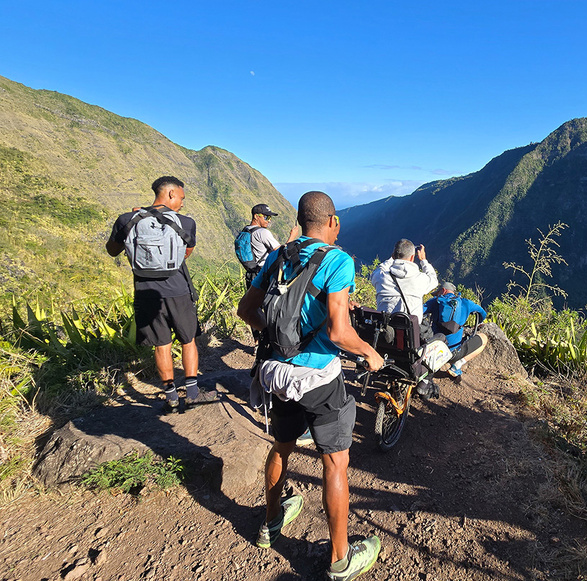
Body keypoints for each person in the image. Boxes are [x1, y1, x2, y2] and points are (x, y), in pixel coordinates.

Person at [237, 191, 384, 580]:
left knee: (282, 446)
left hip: (275, 374)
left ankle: (270, 523)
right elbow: (338, 333)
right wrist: (370, 353)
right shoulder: (338, 260)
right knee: (335, 461)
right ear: (333, 222)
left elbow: (246, 310)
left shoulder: (278, 255)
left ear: (301, 222)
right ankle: (340, 560)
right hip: (317, 377)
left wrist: (279, 339)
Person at [106, 176, 218, 413]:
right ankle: (192, 393)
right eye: (181, 198)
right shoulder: (186, 223)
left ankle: (171, 397)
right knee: (188, 340)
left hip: (146, 293)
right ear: (170, 194)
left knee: (161, 345)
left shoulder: (128, 220)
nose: (182, 203)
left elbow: (112, 250)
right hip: (179, 291)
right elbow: (185, 254)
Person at [370, 239, 438, 341]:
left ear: (393, 255)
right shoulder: (420, 279)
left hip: (384, 336)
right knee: (440, 337)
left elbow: (379, 269)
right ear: (412, 257)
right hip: (410, 339)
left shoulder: (381, 277)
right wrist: (423, 260)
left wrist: (392, 259)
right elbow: (433, 279)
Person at [423, 282, 489, 386]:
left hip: (434, 352)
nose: (437, 295)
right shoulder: (466, 303)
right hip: (454, 353)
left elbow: (419, 312)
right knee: (484, 338)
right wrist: (478, 322)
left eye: (438, 293)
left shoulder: (434, 302)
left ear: (443, 290)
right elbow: (483, 314)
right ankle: (457, 365)